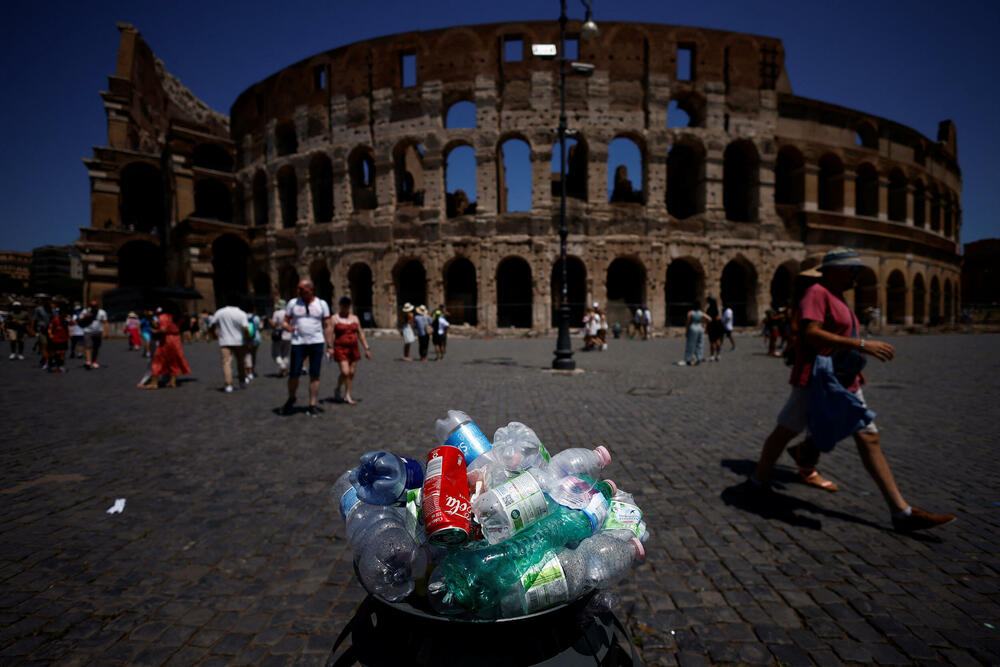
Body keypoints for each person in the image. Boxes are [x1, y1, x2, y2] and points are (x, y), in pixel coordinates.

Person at [746, 248, 956, 532]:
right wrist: (862, 346)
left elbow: (839, 336)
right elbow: (811, 333)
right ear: (833, 271)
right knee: (785, 430)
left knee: (869, 438)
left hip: (842, 378)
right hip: (816, 379)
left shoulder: (838, 296)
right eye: (852, 271)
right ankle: (758, 482)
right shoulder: (816, 293)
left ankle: (901, 512)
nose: (857, 276)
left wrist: (855, 366)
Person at [281, 280, 331, 416]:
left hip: (316, 342)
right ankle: (291, 398)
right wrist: (287, 327)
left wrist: (330, 345)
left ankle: (312, 404)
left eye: (300, 289)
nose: (298, 291)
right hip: (298, 343)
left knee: (315, 374)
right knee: (294, 374)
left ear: (310, 290)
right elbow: (285, 321)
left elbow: (327, 325)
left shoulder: (321, 304)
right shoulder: (293, 303)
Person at [330, 295, 371, 404]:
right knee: (345, 371)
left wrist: (366, 347)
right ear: (340, 305)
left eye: (348, 305)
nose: (346, 307)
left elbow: (360, 333)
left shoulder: (355, 318)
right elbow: (330, 334)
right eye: (344, 305)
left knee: (351, 372)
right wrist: (330, 347)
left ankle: (348, 394)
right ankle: (338, 388)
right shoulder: (334, 318)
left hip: (353, 348)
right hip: (340, 348)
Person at [210, 297, 250, 393]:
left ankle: (228, 384)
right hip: (239, 341)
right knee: (240, 362)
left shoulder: (220, 312)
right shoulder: (241, 313)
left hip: (225, 341)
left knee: (226, 363)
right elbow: (245, 328)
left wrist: (213, 333)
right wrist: (248, 339)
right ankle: (242, 381)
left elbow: (212, 323)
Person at [145, 305, 191, 389]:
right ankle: (172, 381)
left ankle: (154, 382)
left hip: (166, 339)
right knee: (174, 361)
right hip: (176, 339)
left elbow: (163, 329)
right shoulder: (179, 317)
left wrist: (156, 330)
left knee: (157, 360)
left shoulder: (164, 316)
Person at [78, 299, 109, 370]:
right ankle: (88, 361)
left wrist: (106, 332)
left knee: (96, 347)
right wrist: (85, 316)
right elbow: (79, 320)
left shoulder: (102, 312)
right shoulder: (85, 311)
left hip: (98, 332)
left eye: (95, 305)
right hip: (88, 331)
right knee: (88, 346)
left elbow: (105, 322)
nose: (93, 307)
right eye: (92, 305)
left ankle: (94, 361)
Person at [680, 300, 708, 365]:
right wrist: (705, 325)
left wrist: (686, 330)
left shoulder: (690, 313)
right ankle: (699, 357)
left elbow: (687, 322)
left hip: (692, 328)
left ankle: (688, 358)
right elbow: (709, 318)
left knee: (691, 344)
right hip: (700, 328)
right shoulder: (701, 313)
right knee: (700, 344)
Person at [270, 299, 291, 377]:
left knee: (276, 354)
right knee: (285, 354)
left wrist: (270, 322)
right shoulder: (288, 313)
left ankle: (282, 366)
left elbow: (274, 325)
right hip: (288, 335)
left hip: (278, 335)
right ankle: (283, 371)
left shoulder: (276, 313)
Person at [46, 307, 70, 373]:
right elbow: (50, 328)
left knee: (63, 352)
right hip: (56, 339)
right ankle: (55, 365)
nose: (63, 315)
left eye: (64, 314)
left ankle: (61, 366)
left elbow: (70, 326)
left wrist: (70, 333)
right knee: (57, 352)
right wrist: (50, 334)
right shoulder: (55, 320)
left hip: (64, 339)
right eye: (62, 314)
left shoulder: (66, 321)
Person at [244, 303, 263, 381]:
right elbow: (260, 327)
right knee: (253, 355)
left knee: (247, 355)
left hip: (246, 338)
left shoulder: (243, 317)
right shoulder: (256, 318)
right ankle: (252, 370)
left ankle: (249, 372)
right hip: (256, 338)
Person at [32, 296, 53, 369]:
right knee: (44, 345)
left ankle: (47, 360)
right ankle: (47, 362)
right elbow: (34, 320)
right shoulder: (38, 309)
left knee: (50, 347)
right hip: (42, 330)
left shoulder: (52, 310)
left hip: (51, 331)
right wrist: (32, 330)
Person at [706, 296, 724, 361]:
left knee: (712, 342)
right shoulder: (717, 309)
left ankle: (712, 355)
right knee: (718, 341)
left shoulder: (709, 309)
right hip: (718, 326)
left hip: (712, 326)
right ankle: (718, 355)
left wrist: (706, 328)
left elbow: (709, 320)